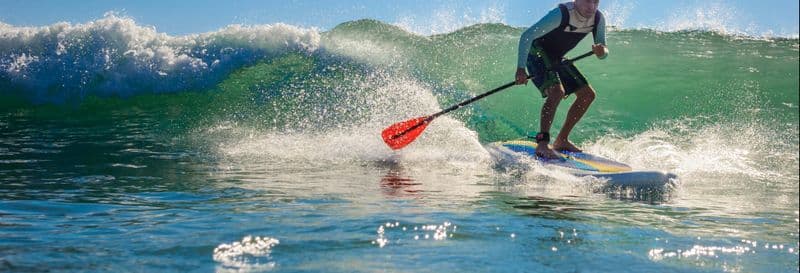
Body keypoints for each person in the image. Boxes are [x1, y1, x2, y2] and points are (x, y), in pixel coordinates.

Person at [515, 0, 608, 159]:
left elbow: (604, 51)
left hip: (557, 57)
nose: (591, 7)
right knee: (557, 92)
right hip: (537, 52)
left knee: (587, 95)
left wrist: (601, 51)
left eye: (595, 2)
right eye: (587, 1)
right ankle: (542, 143)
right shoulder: (562, 14)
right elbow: (527, 36)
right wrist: (521, 69)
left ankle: (562, 140)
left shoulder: (598, 19)